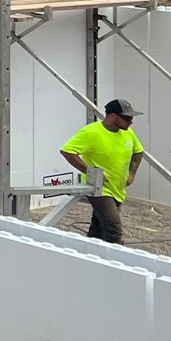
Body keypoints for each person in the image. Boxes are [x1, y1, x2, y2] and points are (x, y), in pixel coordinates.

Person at [59, 100, 143, 244]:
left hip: (117, 188)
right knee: (113, 228)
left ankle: (89, 253)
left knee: (99, 226)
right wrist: (90, 171)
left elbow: (138, 152)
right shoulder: (91, 132)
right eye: (127, 118)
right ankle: (115, 261)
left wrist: (131, 174)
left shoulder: (128, 133)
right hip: (99, 188)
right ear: (111, 116)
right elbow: (67, 151)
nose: (131, 122)